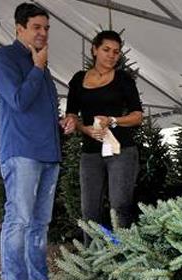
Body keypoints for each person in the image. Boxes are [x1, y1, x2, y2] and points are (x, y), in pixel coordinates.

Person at [0, 3, 76, 280]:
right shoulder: (3, 59)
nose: (43, 33)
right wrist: (37, 68)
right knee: (20, 220)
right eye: (37, 27)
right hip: (21, 153)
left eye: (47, 28)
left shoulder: (43, 65)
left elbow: (38, 111)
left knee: (40, 223)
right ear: (19, 28)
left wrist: (61, 124)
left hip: (48, 153)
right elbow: (18, 101)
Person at [64, 30, 143, 245]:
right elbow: (71, 114)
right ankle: (92, 261)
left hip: (121, 150)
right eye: (106, 50)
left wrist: (114, 120)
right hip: (90, 153)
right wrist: (83, 128)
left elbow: (138, 115)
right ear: (94, 49)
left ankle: (125, 257)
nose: (111, 55)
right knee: (89, 210)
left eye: (116, 52)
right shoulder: (79, 79)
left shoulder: (124, 79)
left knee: (120, 207)